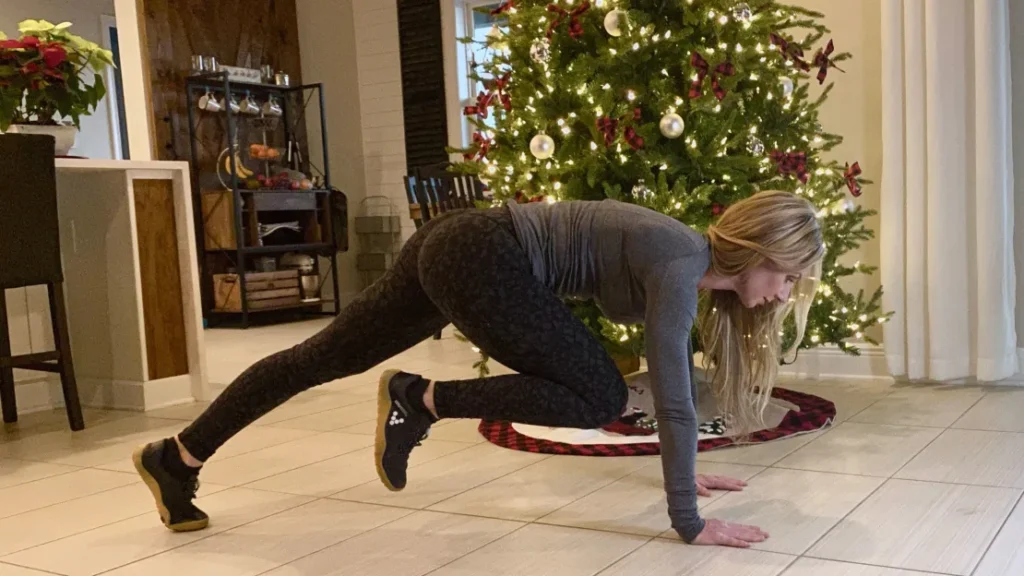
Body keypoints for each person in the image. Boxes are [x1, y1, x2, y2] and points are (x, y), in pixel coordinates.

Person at [132, 189, 823, 548]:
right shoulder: (682, 262)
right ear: (759, 250)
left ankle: (178, 457)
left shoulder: (687, 268)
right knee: (597, 393)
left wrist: (684, 468)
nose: (786, 295)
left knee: (322, 358)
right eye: (788, 277)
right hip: (480, 253)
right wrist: (689, 519)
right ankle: (418, 398)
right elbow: (670, 398)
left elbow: (672, 387)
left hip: (461, 242)